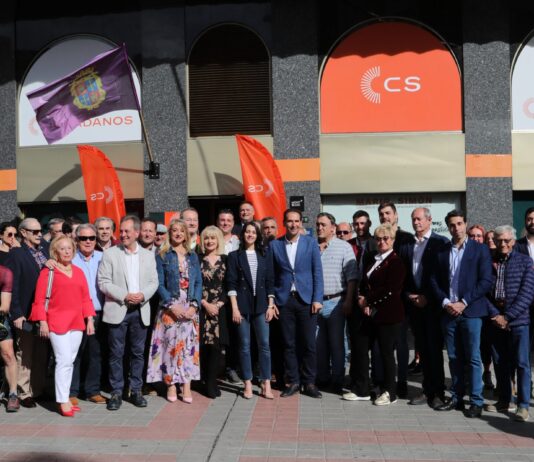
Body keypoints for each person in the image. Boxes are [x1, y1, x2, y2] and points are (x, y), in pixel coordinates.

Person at [431, 210, 492, 418]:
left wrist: (463, 302)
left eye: (459, 223)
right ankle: (456, 397)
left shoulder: (480, 249)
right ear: (448, 227)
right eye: (451, 224)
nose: (455, 228)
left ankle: (476, 401)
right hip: (449, 312)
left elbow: (485, 281)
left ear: (465, 224)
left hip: (471, 311)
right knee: (454, 357)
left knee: (473, 358)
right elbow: (434, 280)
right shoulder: (442, 251)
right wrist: (446, 302)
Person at [98, 215, 159, 411]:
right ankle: (116, 392)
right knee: (116, 353)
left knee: (138, 353)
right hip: (118, 309)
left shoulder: (148, 256)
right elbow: (103, 282)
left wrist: (142, 295)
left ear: (137, 232)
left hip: (140, 310)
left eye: (127, 231)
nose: (122, 234)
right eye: (121, 231)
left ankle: (136, 390)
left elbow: (154, 282)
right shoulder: (110, 254)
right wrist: (124, 295)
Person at [29, 236, 95, 417]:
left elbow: (85, 298)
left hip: (77, 322)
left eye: (69, 248)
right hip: (56, 321)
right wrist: (42, 321)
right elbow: (39, 299)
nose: (67, 251)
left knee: (70, 360)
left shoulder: (79, 271)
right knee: (63, 360)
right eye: (62, 249)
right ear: (55, 252)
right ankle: (62, 400)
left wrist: (90, 319)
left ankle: (65, 396)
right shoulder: (48, 272)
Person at [270, 209, 324, 399]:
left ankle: (309, 382)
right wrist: (272, 301)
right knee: (288, 344)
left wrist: (317, 298)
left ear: (301, 222)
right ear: (284, 223)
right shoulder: (275, 245)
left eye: (296, 221)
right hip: (284, 300)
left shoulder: (310, 243)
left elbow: (317, 272)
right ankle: (293, 381)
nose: (293, 224)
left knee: (309, 344)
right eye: (290, 221)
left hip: (306, 300)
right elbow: (271, 276)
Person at [147, 219, 202, 403]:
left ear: (186, 234)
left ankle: (186, 385)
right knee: (170, 347)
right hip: (169, 307)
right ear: (169, 234)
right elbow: (159, 283)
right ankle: (171, 384)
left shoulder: (193, 256)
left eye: (181, 231)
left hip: (189, 306)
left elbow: (198, 282)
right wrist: (171, 305)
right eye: (174, 230)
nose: (178, 233)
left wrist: (194, 305)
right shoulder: (162, 255)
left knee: (188, 348)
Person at [351, 224, 406, 406]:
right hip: (369, 313)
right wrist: (362, 298)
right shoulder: (371, 258)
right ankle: (362, 389)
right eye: (378, 239)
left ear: (393, 240)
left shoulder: (396, 262)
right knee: (360, 347)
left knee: (386, 353)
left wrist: (368, 301)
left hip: (388, 314)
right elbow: (364, 282)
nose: (382, 242)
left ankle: (390, 392)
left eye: (385, 238)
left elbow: (390, 289)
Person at [398, 208, 448, 408]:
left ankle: (438, 393)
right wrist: (409, 295)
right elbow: (404, 273)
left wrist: (428, 296)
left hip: (433, 305)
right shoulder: (408, 243)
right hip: (414, 304)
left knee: (434, 350)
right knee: (422, 350)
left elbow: (444, 275)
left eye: (419, 219)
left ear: (429, 220)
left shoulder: (440, 242)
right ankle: (426, 390)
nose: (416, 222)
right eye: (413, 219)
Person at [485, 225, 534, 422]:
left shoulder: (525, 262)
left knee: (522, 363)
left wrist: (508, 317)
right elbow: (484, 292)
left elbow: (527, 293)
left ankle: (523, 405)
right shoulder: (489, 261)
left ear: (513, 241)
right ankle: (504, 400)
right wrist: (496, 315)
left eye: (506, 240)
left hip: (518, 321)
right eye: (499, 240)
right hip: (496, 320)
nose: (503, 244)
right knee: (500, 362)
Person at [227, 222, 276, 399]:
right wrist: (234, 308)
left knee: (264, 345)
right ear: (242, 235)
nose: (250, 235)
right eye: (247, 232)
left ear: (257, 235)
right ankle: (247, 382)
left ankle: (265, 382)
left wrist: (271, 305)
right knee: (245, 346)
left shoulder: (264, 254)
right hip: (242, 306)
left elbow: (270, 281)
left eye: (253, 232)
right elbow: (231, 283)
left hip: (261, 306)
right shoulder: (234, 256)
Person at [6, 217, 50, 408]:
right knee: (25, 352)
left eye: (41, 231)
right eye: (35, 231)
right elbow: (12, 285)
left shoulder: (45, 250)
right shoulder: (16, 254)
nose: (39, 234)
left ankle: (38, 389)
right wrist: (16, 313)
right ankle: (24, 392)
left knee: (41, 352)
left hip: (45, 313)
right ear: (23, 233)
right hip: (25, 311)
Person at [377, 202, 411, 397]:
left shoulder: (406, 238)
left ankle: (402, 381)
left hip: (401, 300)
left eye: (388, 213)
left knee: (401, 343)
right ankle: (384, 381)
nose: (385, 217)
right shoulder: (377, 238)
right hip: (381, 302)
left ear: (396, 215)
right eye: (381, 214)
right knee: (383, 345)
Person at [70, 224, 106, 404]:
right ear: (76, 240)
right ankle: (72, 392)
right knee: (75, 353)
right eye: (83, 238)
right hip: (76, 313)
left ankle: (92, 391)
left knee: (95, 353)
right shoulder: (69, 259)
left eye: (92, 238)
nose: (88, 241)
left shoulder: (103, 257)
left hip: (99, 313)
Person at [199, 226, 230, 398]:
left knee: (217, 347)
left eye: (213, 238)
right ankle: (205, 382)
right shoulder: (197, 259)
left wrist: (217, 305)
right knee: (203, 346)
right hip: (201, 308)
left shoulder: (226, 259)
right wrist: (205, 304)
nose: (209, 241)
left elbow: (229, 284)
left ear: (218, 240)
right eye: (206, 238)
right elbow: (194, 284)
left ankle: (212, 381)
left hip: (220, 309)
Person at [0, 264, 19, 412]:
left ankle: (13, 394)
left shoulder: (5, 272)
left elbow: (5, 306)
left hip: (0, 317)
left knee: (8, 354)